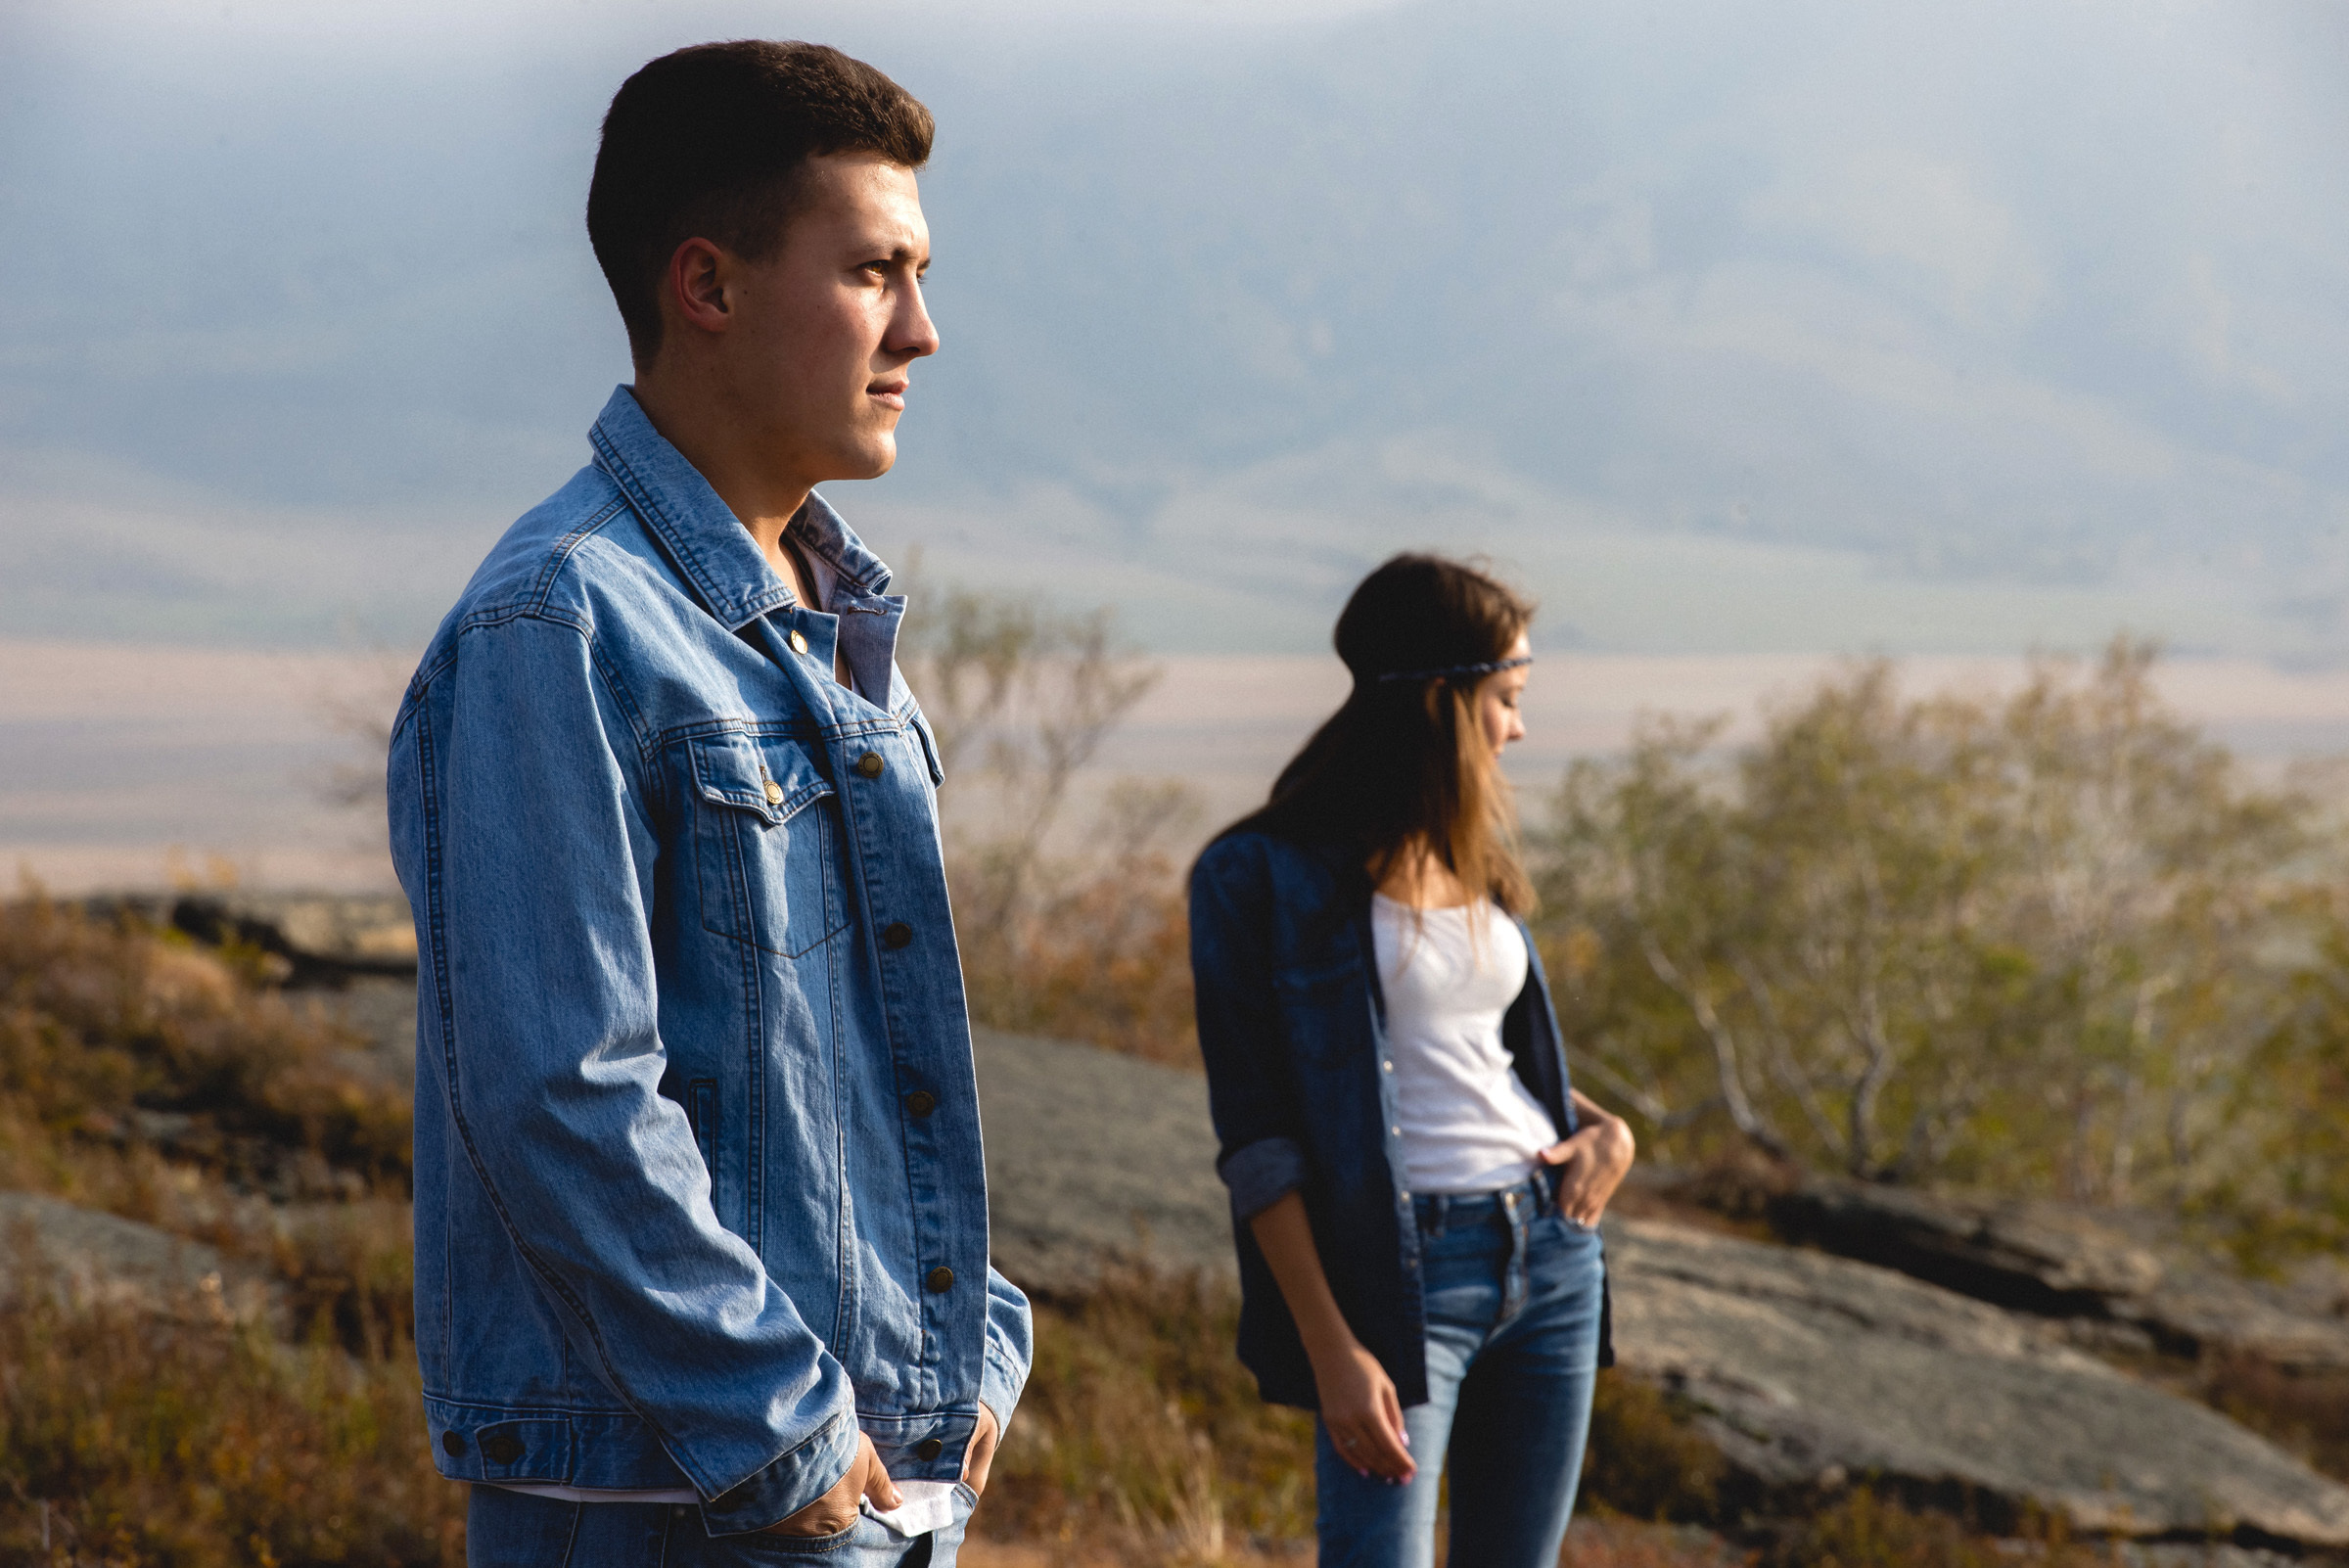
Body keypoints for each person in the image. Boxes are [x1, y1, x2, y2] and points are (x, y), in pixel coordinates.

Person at [385, 40, 1030, 1567]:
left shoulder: (843, 634)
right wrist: (782, 1425)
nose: (924, 332)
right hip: (673, 1501)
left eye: (919, 275)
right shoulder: (559, 623)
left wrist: (979, 1337)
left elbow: (875, 1075)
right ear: (708, 285)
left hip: (863, 1487)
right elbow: (562, 1093)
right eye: (876, 272)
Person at [1187, 554, 1635, 1568]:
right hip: (1400, 1278)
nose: (1519, 726)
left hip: (1554, 1254)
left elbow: (1472, 1054)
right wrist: (1333, 1349)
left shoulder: (1474, 854)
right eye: (1507, 698)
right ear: (1443, 698)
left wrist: (1604, 1129)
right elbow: (1258, 1139)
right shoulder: (1256, 877)